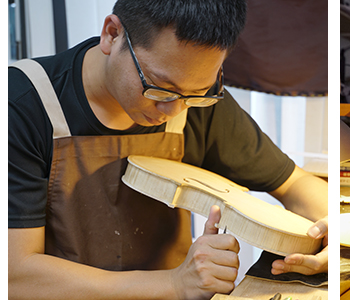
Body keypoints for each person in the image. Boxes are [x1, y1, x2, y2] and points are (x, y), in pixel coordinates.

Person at [8, 1, 329, 298]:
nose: (173, 110)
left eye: (198, 92)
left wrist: (331, 229)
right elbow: (14, 273)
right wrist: (176, 283)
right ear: (112, 34)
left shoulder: (198, 101)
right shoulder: (21, 105)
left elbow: (296, 184)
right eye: (160, 89)